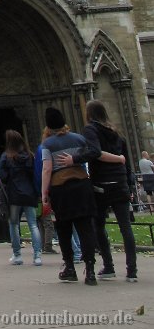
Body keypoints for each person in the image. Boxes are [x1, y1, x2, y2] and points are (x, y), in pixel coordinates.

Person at [40, 105, 121, 286]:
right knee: (85, 228)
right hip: (83, 186)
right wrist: (120, 159)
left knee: (64, 230)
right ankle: (90, 270)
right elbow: (95, 154)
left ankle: (70, 267)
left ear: (48, 126)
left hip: (61, 189)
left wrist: (44, 192)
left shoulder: (47, 144)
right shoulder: (79, 138)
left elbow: (47, 169)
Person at [81, 101, 137, 281]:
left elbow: (94, 152)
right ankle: (132, 271)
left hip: (101, 185)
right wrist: (129, 186)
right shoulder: (117, 134)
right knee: (125, 228)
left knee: (98, 226)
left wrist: (74, 158)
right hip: (119, 184)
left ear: (89, 114)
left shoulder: (91, 130)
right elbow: (126, 163)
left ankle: (109, 266)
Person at [0, 130, 42, 266]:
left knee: (14, 224)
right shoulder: (30, 156)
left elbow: (2, 176)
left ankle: (17, 255)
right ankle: (37, 256)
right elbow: (36, 174)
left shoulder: (6, 156)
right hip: (29, 194)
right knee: (33, 224)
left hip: (14, 194)